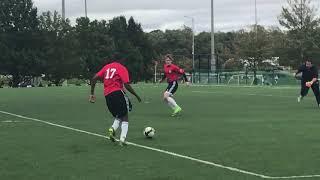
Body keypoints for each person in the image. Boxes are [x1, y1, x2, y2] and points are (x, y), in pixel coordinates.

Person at [89, 58, 141, 146]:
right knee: (125, 115)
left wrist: (92, 94)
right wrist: (136, 95)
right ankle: (122, 139)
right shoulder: (122, 68)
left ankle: (112, 129)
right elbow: (126, 84)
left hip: (107, 95)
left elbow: (94, 78)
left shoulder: (107, 67)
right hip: (117, 92)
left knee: (119, 114)